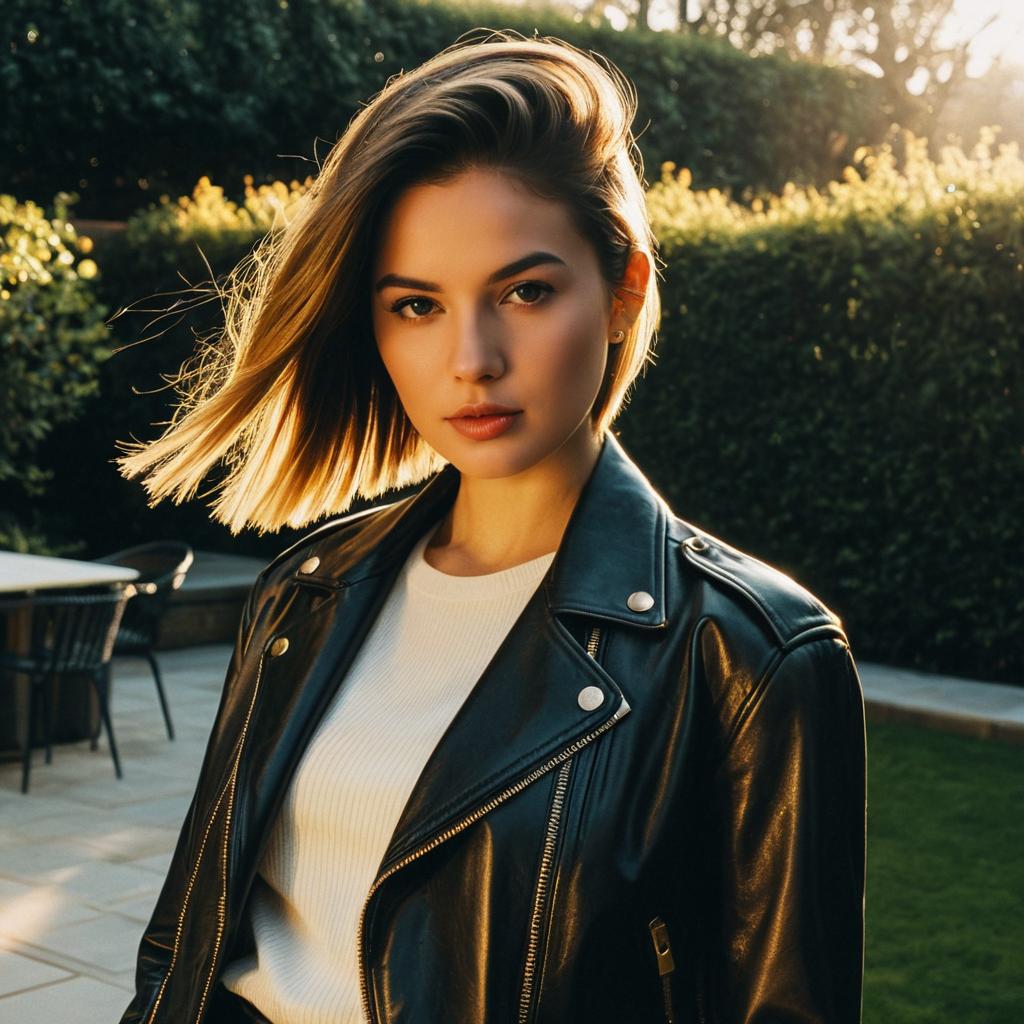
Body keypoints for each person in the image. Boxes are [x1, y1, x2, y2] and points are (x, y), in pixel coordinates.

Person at [116, 28, 867, 1024]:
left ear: (621, 291)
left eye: (524, 290)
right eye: (417, 305)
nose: (470, 358)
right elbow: (187, 945)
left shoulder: (748, 655)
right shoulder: (304, 590)